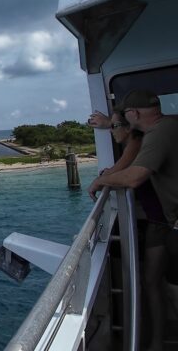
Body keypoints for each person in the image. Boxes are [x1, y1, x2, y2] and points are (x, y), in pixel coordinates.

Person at [88, 90, 177, 351]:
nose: (113, 130)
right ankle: (157, 341)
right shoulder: (165, 127)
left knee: (164, 286)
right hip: (164, 223)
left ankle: (157, 341)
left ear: (133, 116)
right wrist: (108, 124)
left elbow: (132, 175)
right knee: (161, 284)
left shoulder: (150, 137)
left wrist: (101, 180)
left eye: (118, 124)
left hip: (163, 223)